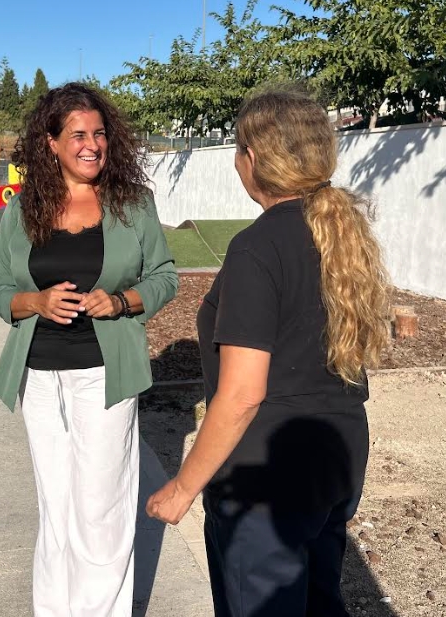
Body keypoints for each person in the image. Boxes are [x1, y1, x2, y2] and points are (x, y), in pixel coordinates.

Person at [146, 90, 391, 617]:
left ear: (252, 159)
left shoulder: (257, 247)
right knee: (322, 602)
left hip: (268, 473)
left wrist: (183, 487)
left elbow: (240, 395)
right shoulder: (343, 232)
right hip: (338, 454)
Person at [0, 82, 178, 617]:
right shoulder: (22, 209)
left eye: (99, 133)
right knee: (57, 507)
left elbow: (164, 276)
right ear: (50, 142)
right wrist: (34, 301)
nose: (91, 144)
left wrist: (121, 302)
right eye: (77, 134)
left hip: (104, 375)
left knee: (102, 508)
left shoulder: (133, 205)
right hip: (39, 378)